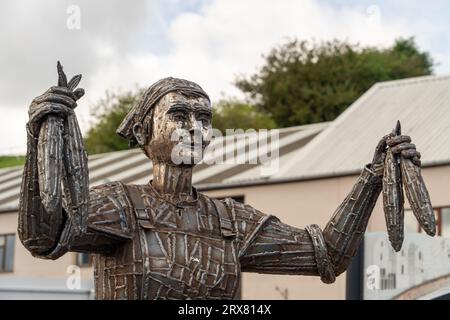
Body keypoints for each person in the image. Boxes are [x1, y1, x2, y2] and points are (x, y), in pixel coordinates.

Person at [18, 74, 421, 299]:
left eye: (205, 118)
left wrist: (373, 177)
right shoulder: (120, 205)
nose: (195, 128)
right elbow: (42, 234)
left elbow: (328, 256)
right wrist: (42, 136)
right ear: (143, 130)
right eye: (179, 114)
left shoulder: (230, 220)